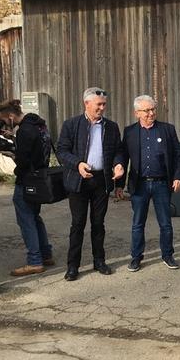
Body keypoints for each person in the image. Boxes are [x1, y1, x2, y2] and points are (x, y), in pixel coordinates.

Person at [56, 87, 124, 281]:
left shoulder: (111, 127)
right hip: (79, 180)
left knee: (98, 223)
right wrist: (77, 164)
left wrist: (118, 164)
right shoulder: (71, 125)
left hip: (101, 180)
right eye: (98, 104)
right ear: (86, 104)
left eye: (104, 105)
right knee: (77, 224)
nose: (102, 108)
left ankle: (99, 261)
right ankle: (73, 266)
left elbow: (118, 150)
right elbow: (62, 151)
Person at [115, 95, 180, 271]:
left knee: (165, 223)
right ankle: (136, 257)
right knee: (138, 223)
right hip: (140, 185)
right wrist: (119, 183)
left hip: (162, 184)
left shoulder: (167, 130)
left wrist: (177, 177)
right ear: (137, 113)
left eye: (153, 109)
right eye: (147, 110)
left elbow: (177, 156)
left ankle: (168, 255)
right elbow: (122, 157)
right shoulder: (130, 132)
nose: (151, 113)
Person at [0, 99, 55, 277]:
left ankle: (34, 261)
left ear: (11, 116)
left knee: (26, 220)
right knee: (35, 217)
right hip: (40, 179)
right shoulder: (39, 124)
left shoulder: (25, 130)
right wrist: (13, 140)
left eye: (4, 120)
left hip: (27, 180)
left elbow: (24, 160)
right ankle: (46, 254)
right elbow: (35, 149)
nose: (4, 124)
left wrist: (13, 156)